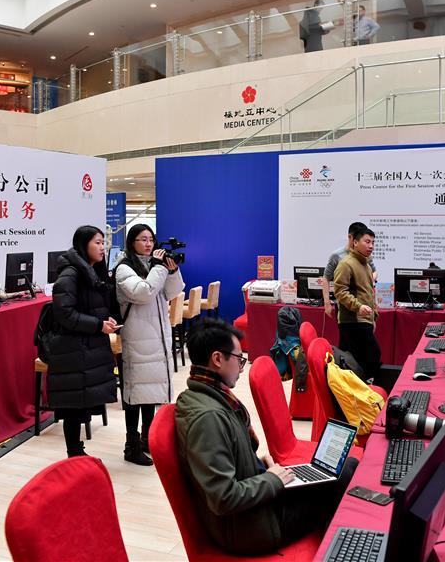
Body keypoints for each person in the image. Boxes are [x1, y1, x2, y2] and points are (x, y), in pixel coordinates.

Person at [175, 318, 357, 556]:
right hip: (253, 528)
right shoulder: (208, 418)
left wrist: (259, 466)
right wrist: (272, 480)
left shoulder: (206, 396)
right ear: (217, 359)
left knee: (337, 471)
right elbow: (223, 497)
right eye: (239, 360)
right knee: (343, 475)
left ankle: (336, 545)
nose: (242, 368)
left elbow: (226, 461)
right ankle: (339, 552)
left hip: (256, 507)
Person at [115, 223, 185, 465]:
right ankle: (131, 446)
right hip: (138, 338)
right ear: (132, 242)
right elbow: (143, 293)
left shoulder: (151, 266)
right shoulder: (124, 268)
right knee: (135, 394)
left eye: (151, 239)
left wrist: (172, 271)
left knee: (150, 392)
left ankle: (148, 438)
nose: (148, 244)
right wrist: (158, 267)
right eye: (143, 239)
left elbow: (171, 293)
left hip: (156, 336)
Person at [48, 225, 119, 458]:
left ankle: (78, 453)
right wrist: (98, 325)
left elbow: (92, 307)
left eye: (103, 242)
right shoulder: (71, 274)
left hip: (87, 346)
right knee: (73, 407)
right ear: (83, 244)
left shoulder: (92, 271)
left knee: (81, 404)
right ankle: (74, 454)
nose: (102, 247)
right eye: (97, 242)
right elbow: (64, 313)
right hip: (72, 348)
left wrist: (105, 320)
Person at [333, 226, 381, 380]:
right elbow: (340, 291)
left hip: (364, 320)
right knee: (364, 358)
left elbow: (368, 293)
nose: (371, 246)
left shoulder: (366, 265)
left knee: (362, 360)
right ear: (355, 242)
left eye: (373, 242)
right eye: (367, 242)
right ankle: (358, 388)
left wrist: (373, 317)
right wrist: (358, 307)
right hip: (352, 321)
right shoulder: (346, 264)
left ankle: (361, 388)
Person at [321, 221, 377, 318]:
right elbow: (326, 278)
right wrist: (327, 303)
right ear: (350, 237)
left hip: (365, 303)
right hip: (345, 306)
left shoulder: (365, 255)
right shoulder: (337, 256)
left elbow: (374, 271)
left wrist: (367, 281)